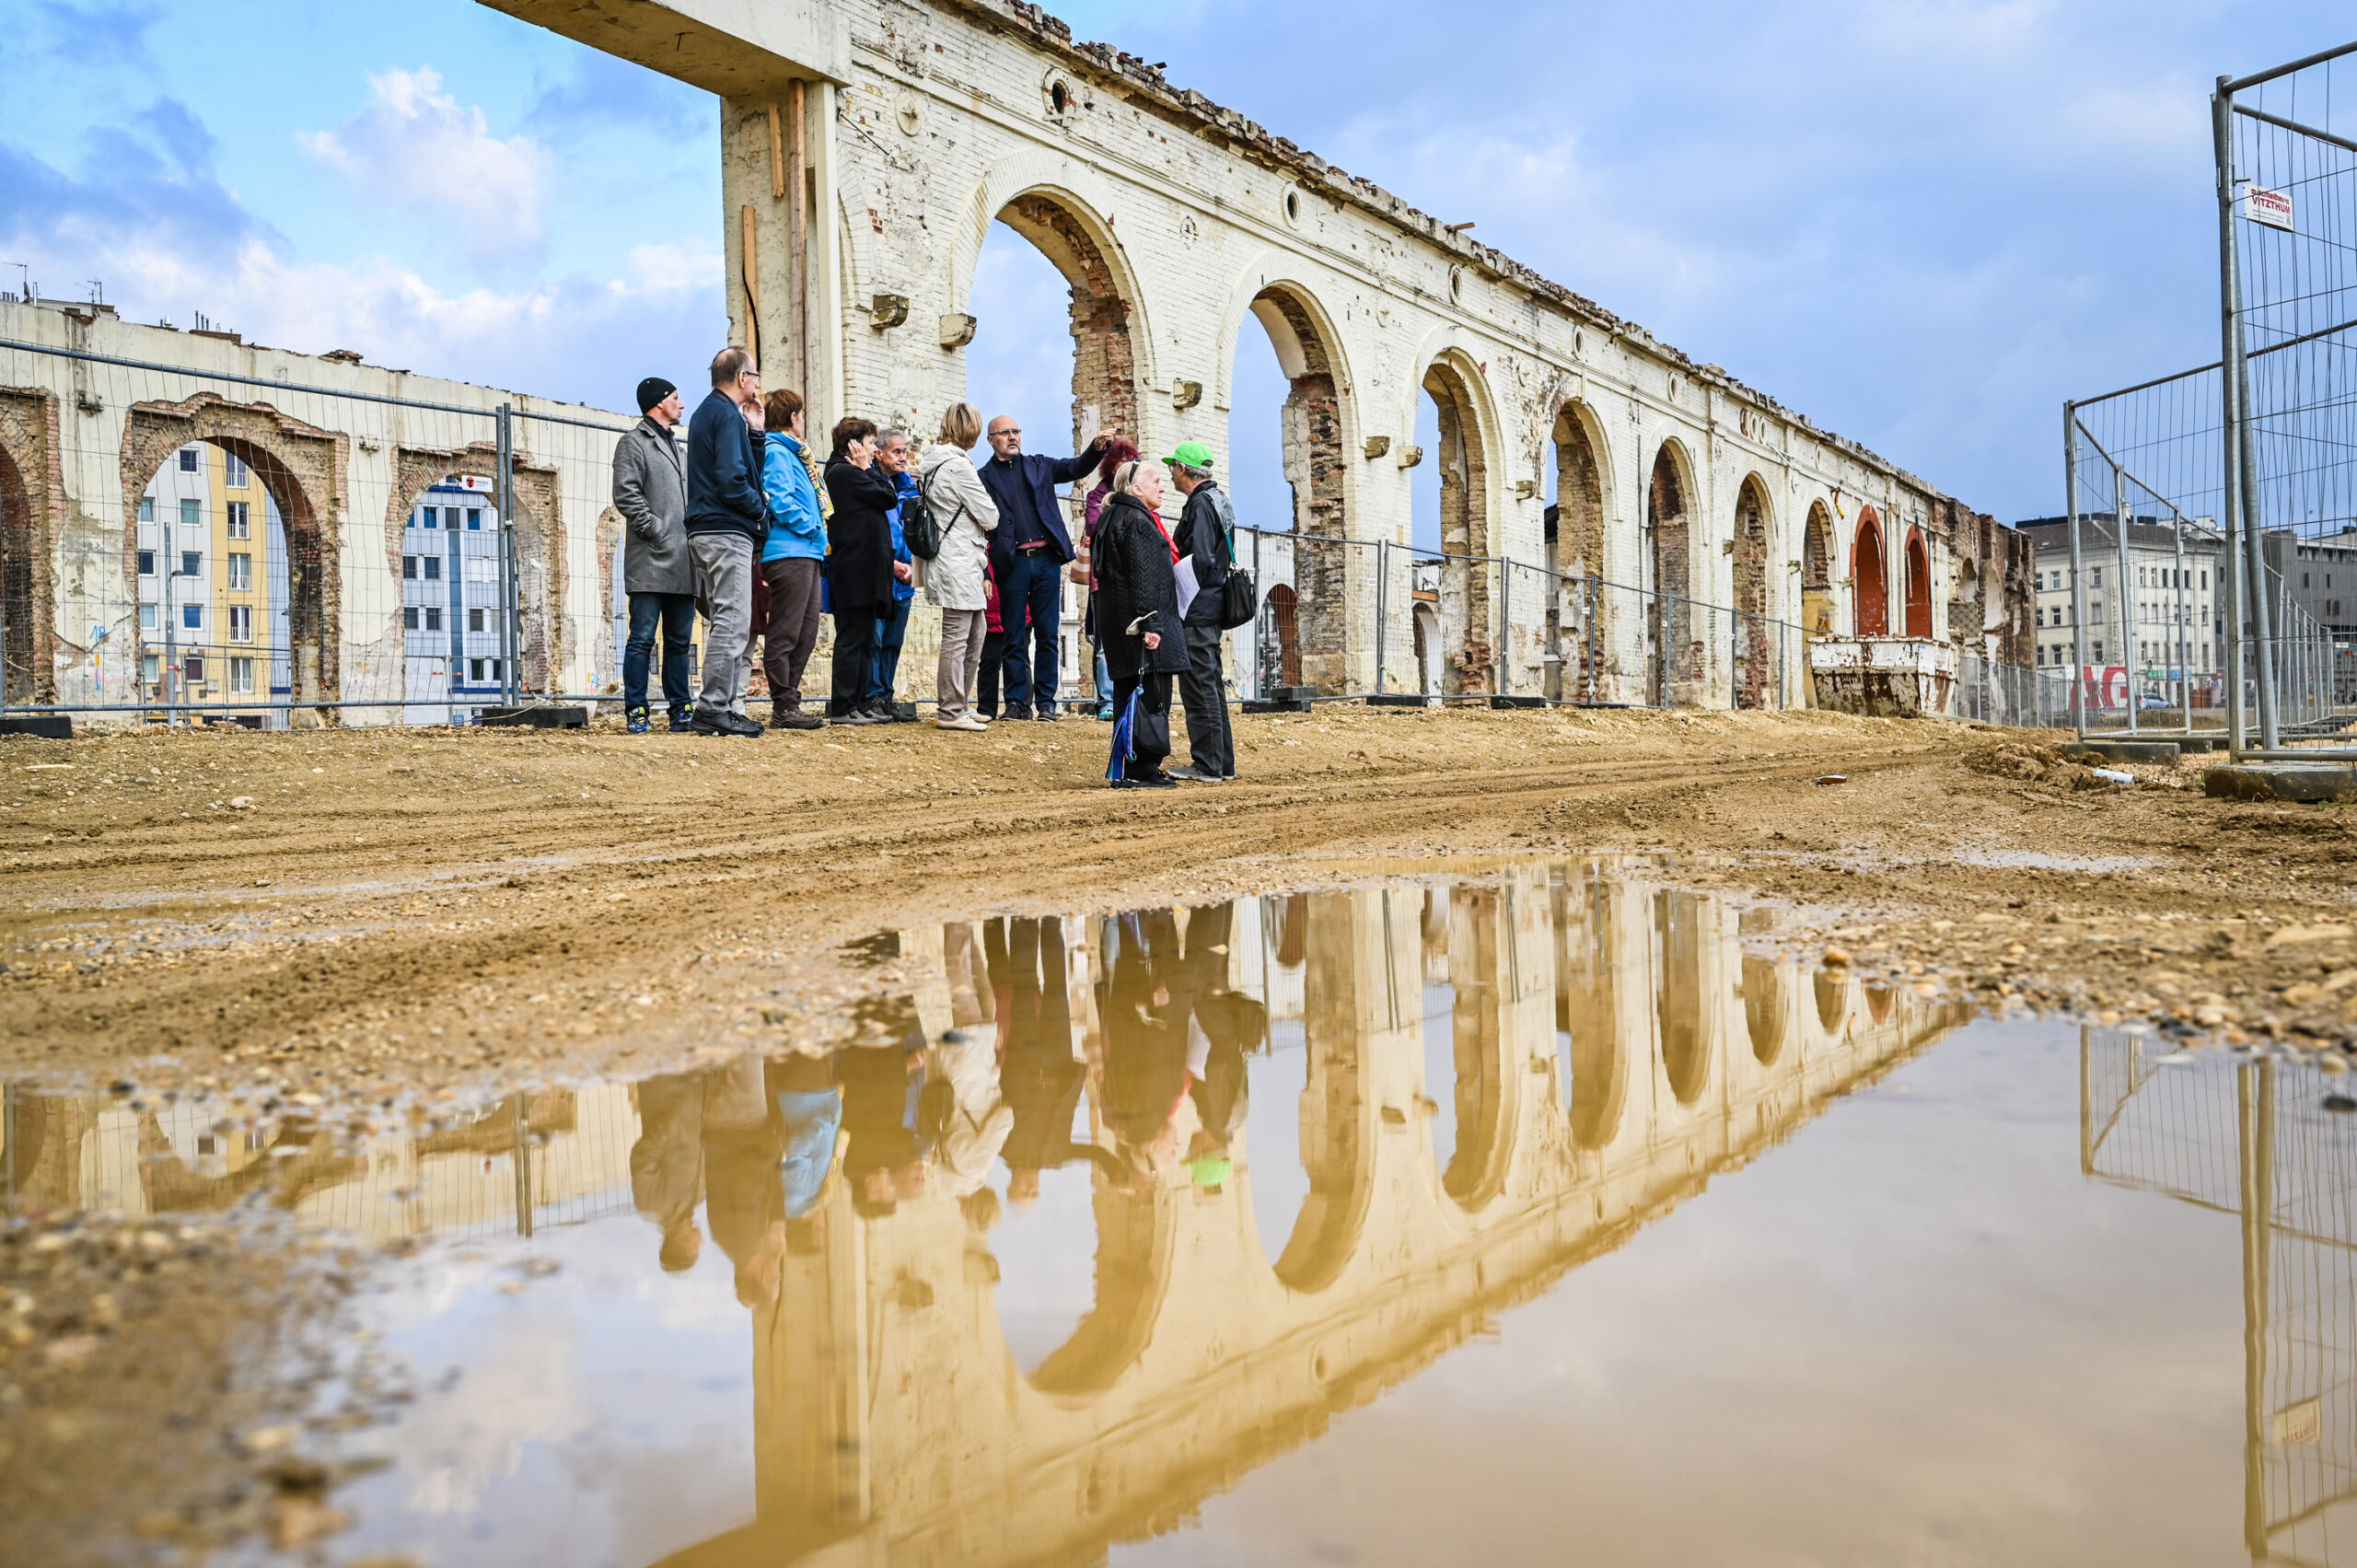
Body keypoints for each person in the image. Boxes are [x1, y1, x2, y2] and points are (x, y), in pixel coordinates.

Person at [977, 416, 1116, 720]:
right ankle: (1016, 703)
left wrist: (1096, 449)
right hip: (1011, 563)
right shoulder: (982, 477)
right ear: (991, 440)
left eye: (1016, 431)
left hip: (1046, 561)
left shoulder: (1039, 465)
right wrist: (986, 571)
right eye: (1005, 433)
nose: (1013, 437)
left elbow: (1076, 467)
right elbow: (980, 529)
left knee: (1048, 635)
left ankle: (1046, 704)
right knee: (1013, 636)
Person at [684, 347, 769, 737]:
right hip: (725, 529)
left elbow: (741, 468)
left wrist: (754, 434)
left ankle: (722, 707)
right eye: (754, 375)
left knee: (728, 619)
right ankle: (713, 708)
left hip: (711, 528)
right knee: (732, 623)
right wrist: (760, 509)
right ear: (741, 378)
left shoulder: (713, 413)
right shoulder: (722, 414)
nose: (756, 382)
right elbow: (734, 481)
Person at [1092, 460, 1190, 788]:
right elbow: (1143, 575)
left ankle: (1127, 767)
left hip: (1122, 625)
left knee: (1128, 697)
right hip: (1143, 628)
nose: (1162, 487)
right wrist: (1152, 624)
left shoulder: (1112, 517)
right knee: (1150, 697)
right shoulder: (1137, 520)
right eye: (1157, 481)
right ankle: (1141, 769)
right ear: (1136, 488)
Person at [612, 377, 695, 734]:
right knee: (642, 638)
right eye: (676, 398)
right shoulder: (633, 443)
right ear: (659, 402)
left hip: (684, 561)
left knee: (679, 642)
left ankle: (681, 710)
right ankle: (637, 710)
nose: (681, 404)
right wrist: (657, 530)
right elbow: (627, 495)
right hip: (650, 557)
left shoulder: (680, 449)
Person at [918, 402, 1001, 732]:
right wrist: (973, 513)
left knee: (976, 630)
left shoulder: (933, 464)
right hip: (958, 558)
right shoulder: (958, 467)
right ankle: (950, 710)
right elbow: (990, 515)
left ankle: (961, 704)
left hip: (955, 557)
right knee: (957, 634)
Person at [1165, 440, 1238, 782]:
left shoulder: (1198, 505)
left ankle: (1207, 764)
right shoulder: (1219, 499)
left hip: (1197, 605)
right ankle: (1222, 764)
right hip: (1213, 603)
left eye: (1172, 468)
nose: (1171, 474)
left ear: (1182, 469)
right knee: (1210, 683)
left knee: (1198, 684)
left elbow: (1203, 559)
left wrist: (1179, 584)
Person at [758, 388, 828, 730]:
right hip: (789, 551)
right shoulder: (777, 452)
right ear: (792, 417)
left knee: (806, 633)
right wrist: (813, 525)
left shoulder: (797, 454)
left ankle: (789, 701)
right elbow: (779, 500)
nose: (804, 419)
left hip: (808, 551)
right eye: (801, 413)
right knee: (785, 632)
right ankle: (784, 705)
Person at [822, 416, 900, 725]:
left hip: (866, 571)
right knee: (852, 639)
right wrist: (866, 468)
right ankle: (843, 707)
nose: (874, 451)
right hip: (855, 571)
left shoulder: (854, 473)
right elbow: (888, 496)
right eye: (869, 444)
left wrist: (867, 469)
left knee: (866, 639)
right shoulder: (844, 474)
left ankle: (859, 702)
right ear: (853, 446)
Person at [1081, 438, 1138, 721]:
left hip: (1131, 578)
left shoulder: (1139, 497)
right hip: (1102, 579)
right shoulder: (1097, 496)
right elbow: (1094, 526)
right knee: (1103, 644)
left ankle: (1130, 698)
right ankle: (1105, 700)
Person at [868, 429, 921, 721]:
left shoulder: (908, 488)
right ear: (880, 452)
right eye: (897, 451)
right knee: (874, 640)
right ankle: (872, 695)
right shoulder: (872, 483)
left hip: (905, 577)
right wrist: (891, 566)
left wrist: (913, 566)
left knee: (893, 642)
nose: (904, 457)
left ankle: (886, 696)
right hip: (879, 574)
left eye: (904, 451)